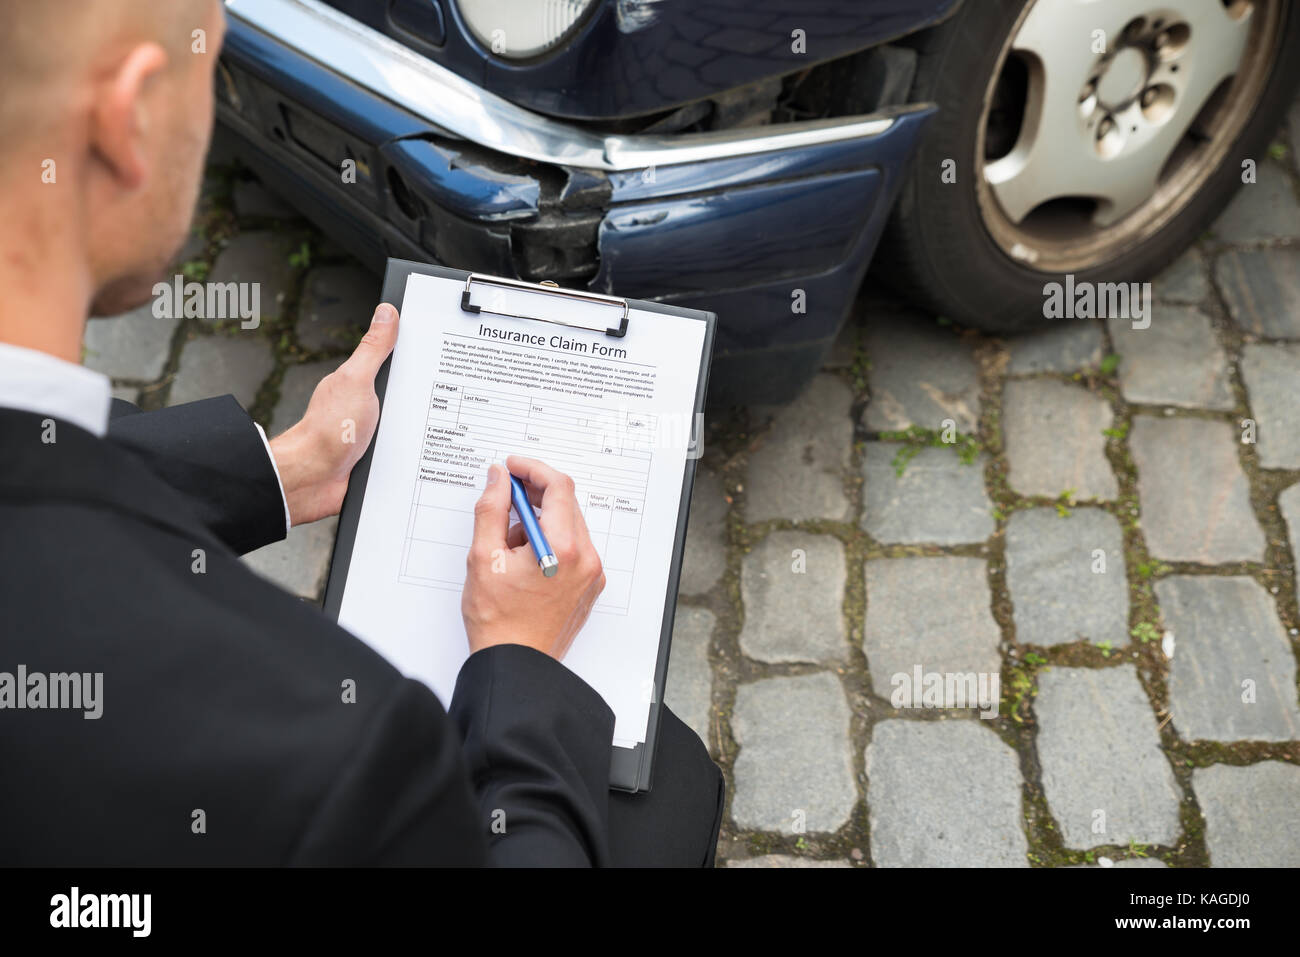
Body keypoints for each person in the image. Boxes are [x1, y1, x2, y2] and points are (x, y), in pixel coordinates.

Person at [0, 0, 722, 866]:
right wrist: (522, 664)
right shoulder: (333, 748)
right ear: (128, 120)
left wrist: (283, 469)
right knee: (666, 786)